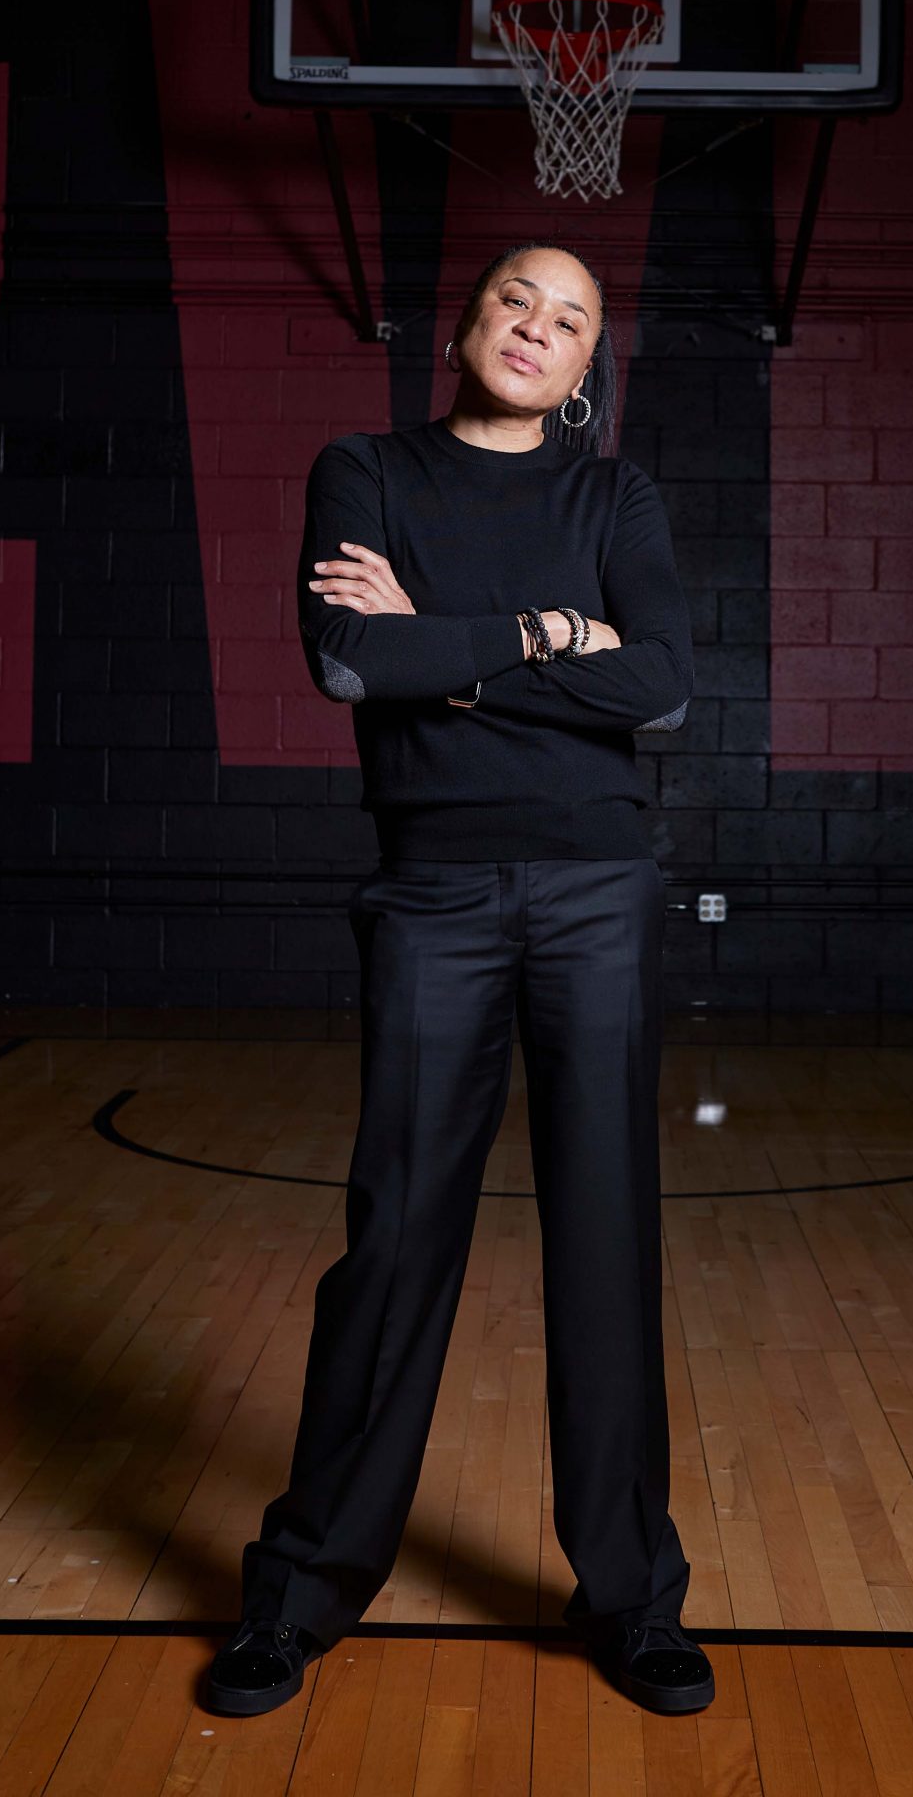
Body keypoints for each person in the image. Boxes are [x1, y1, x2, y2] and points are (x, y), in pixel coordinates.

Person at [202, 241, 714, 1722]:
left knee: (606, 1243)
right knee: (395, 1237)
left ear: (585, 363)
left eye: (570, 322)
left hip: (596, 894)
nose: (535, 331)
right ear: (466, 323)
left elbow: (664, 683)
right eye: (515, 302)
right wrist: (559, 634)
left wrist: (459, 646)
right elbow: (355, 660)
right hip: (432, 896)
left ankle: (632, 1599)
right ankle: (299, 1597)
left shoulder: (614, 496)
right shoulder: (363, 468)